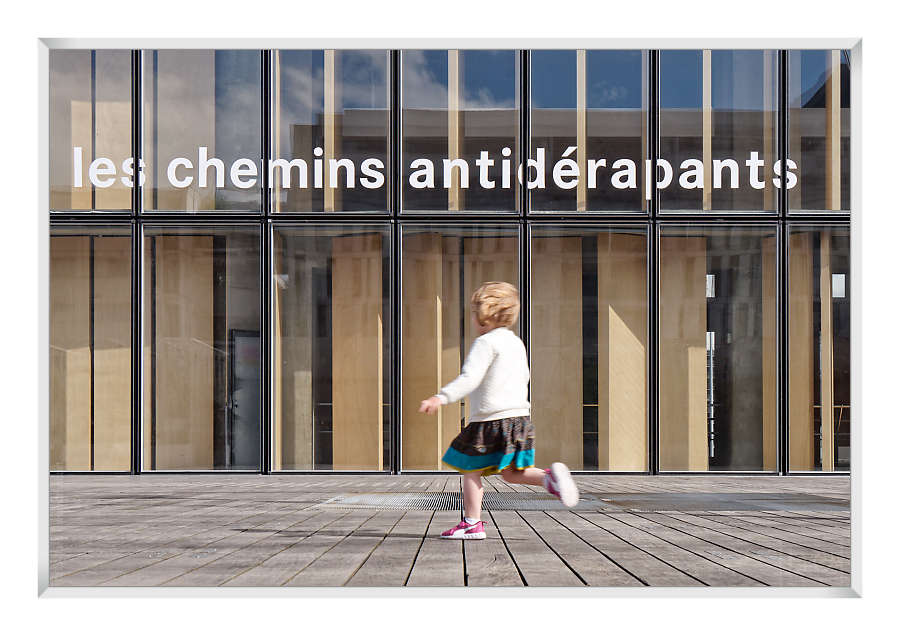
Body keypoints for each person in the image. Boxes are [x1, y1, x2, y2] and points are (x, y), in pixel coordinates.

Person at [418, 281, 579, 540]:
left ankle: (472, 523)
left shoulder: (485, 343)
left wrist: (441, 397)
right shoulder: (515, 343)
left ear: (484, 314)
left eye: (473, 312)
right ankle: (550, 480)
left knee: (470, 469)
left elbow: (469, 378)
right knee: (512, 473)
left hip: (490, 420)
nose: (471, 318)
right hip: (518, 419)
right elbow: (523, 376)